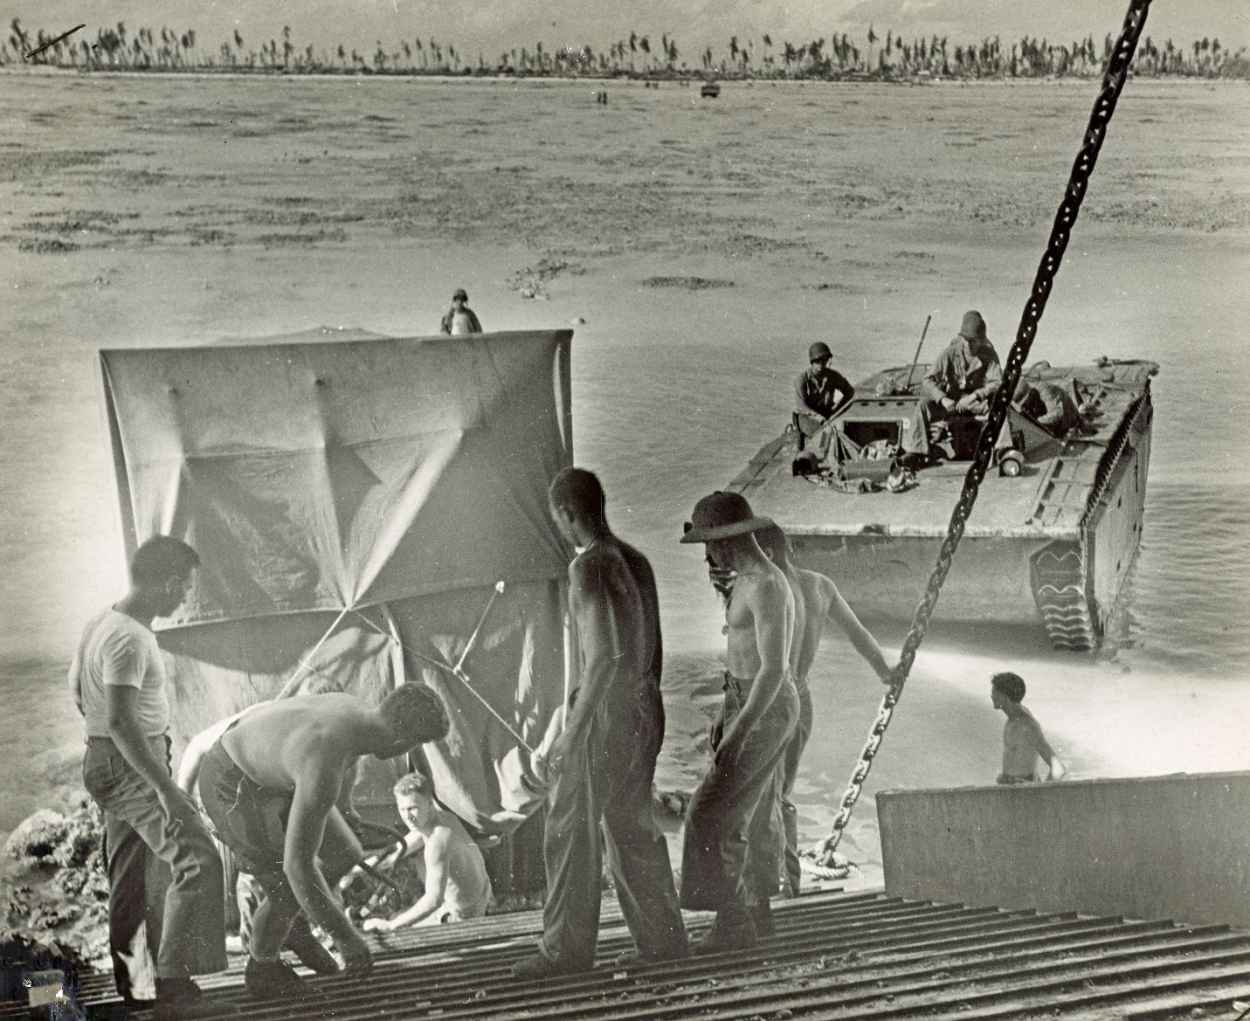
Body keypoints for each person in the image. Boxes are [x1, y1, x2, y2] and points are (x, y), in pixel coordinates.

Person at [512, 467, 688, 977]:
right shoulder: (637, 560)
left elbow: (604, 656)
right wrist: (648, 709)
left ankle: (563, 952)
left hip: (605, 713)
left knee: (569, 829)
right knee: (632, 826)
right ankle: (663, 942)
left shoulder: (587, 568)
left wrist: (571, 731)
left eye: (559, 520)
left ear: (567, 514)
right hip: (644, 704)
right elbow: (652, 649)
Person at [196, 686, 449, 1001]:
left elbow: (351, 758)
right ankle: (262, 968)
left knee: (346, 851)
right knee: (286, 885)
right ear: (401, 740)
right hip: (230, 782)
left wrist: (346, 809)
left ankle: (293, 927)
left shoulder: (359, 716)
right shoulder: (324, 759)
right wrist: (349, 940)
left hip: (272, 771)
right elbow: (297, 867)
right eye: (415, 743)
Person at [68, 535, 226, 1018]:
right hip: (131, 762)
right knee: (199, 858)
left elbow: (78, 690)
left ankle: (139, 989)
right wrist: (166, 788)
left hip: (107, 759)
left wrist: (105, 749)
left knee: (132, 877)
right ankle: (173, 980)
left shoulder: (104, 621)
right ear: (167, 582)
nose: (185, 599)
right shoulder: (130, 637)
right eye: (184, 589)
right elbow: (120, 720)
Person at [678, 492, 799, 951]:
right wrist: (724, 713)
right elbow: (742, 658)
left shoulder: (766, 584)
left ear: (728, 541)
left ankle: (733, 924)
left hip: (764, 706)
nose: (707, 554)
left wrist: (741, 728)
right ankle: (757, 914)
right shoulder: (745, 580)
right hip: (743, 699)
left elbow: (773, 669)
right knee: (755, 811)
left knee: (710, 813)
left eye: (711, 543)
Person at [755, 525, 894, 898]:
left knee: (760, 793)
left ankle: (773, 880)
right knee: (783, 790)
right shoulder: (820, 585)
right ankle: (789, 879)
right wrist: (886, 673)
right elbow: (857, 633)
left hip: (770, 699)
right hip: (801, 696)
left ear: (766, 551)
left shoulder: (766, 589)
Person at [176, 705, 340, 977]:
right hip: (227, 792)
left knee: (304, 859)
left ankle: (294, 933)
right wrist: (183, 799)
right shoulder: (266, 718)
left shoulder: (324, 739)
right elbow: (197, 745)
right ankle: (267, 957)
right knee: (269, 872)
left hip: (270, 798)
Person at [360, 771, 492, 931]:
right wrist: (359, 869)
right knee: (400, 914)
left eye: (412, 808)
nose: (407, 816)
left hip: (463, 916)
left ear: (430, 804)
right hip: (482, 897)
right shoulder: (442, 818)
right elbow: (399, 848)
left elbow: (433, 900)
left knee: (393, 924)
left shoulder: (438, 841)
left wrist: (390, 926)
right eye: (402, 809)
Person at [902, 310, 1007, 463]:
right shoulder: (949, 353)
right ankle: (916, 452)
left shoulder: (989, 355)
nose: (970, 344)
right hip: (951, 404)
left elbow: (998, 382)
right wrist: (943, 399)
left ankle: (1002, 450)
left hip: (976, 404)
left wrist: (975, 396)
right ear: (961, 338)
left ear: (982, 340)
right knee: (923, 406)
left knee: (1002, 406)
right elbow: (927, 380)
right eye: (967, 340)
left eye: (975, 340)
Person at [991, 672, 1067, 784]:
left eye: (994, 692)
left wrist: (1039, 793)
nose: (991, 696)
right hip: (1011, 791)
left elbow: (1059, 769)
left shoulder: (1027, 725)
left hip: (1024, 794)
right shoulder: (1012, 719)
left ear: (1004, 696)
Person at [795, 341, 856, 438]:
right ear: (812, 362)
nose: (821, 365)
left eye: (824, 360)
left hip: (827, 415)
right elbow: (801, 406)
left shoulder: (832, 376)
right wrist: (817, 417)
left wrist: (837, 408)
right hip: (807, 418)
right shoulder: (802, 380)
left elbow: (849, 392)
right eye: (817, 361)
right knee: (823, 437)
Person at [1013, 378, 1082, 437]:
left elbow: (1057, 414)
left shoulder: (1046, 391)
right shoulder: (1032, 397)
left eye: (1025, 402)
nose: (1025, 406)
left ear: (1030, 394)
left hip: (1067, 424)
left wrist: (1035, 422)